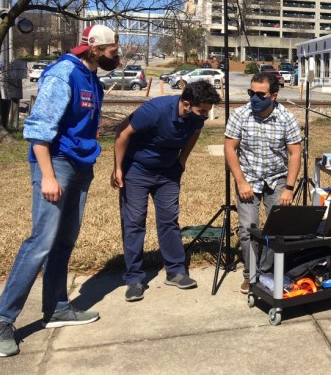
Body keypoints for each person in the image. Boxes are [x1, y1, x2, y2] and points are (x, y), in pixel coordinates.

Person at [0, 24, 120, 357]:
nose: (116, 55)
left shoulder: (92, 77)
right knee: (41, 242)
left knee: (64, 240)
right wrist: (48, 176)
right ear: (94, 49)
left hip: (81, 166)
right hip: (56, 165)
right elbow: (37, 130)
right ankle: (3, 320)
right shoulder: (64, 73)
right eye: (112, 50)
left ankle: (57, 306)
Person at [111, 81, 221, 302]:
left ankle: (176, 270)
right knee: (134, 222)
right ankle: (134, 278)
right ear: (187, 104)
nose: (205, 116)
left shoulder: (196, 118)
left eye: (207, 112)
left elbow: (194, 135)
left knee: (169, 220)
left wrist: (181, 161)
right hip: (137, 170)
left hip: (168, 173)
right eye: (202, 111)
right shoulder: (155, 110)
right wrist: (118, 169)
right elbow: (122, 133)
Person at [224, 72, 302, 294]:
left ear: (274, 96)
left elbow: (295, 154)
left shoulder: (286, 118)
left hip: (277, 178)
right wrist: (240, 182)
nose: (254, 98)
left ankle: (267, 270)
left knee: (279, 228)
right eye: (251, 93)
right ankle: (251, 275)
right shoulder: (240, 115)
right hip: (248, 178)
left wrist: (288, 187)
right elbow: (230, 148)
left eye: (261, 94)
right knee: (248, 229)